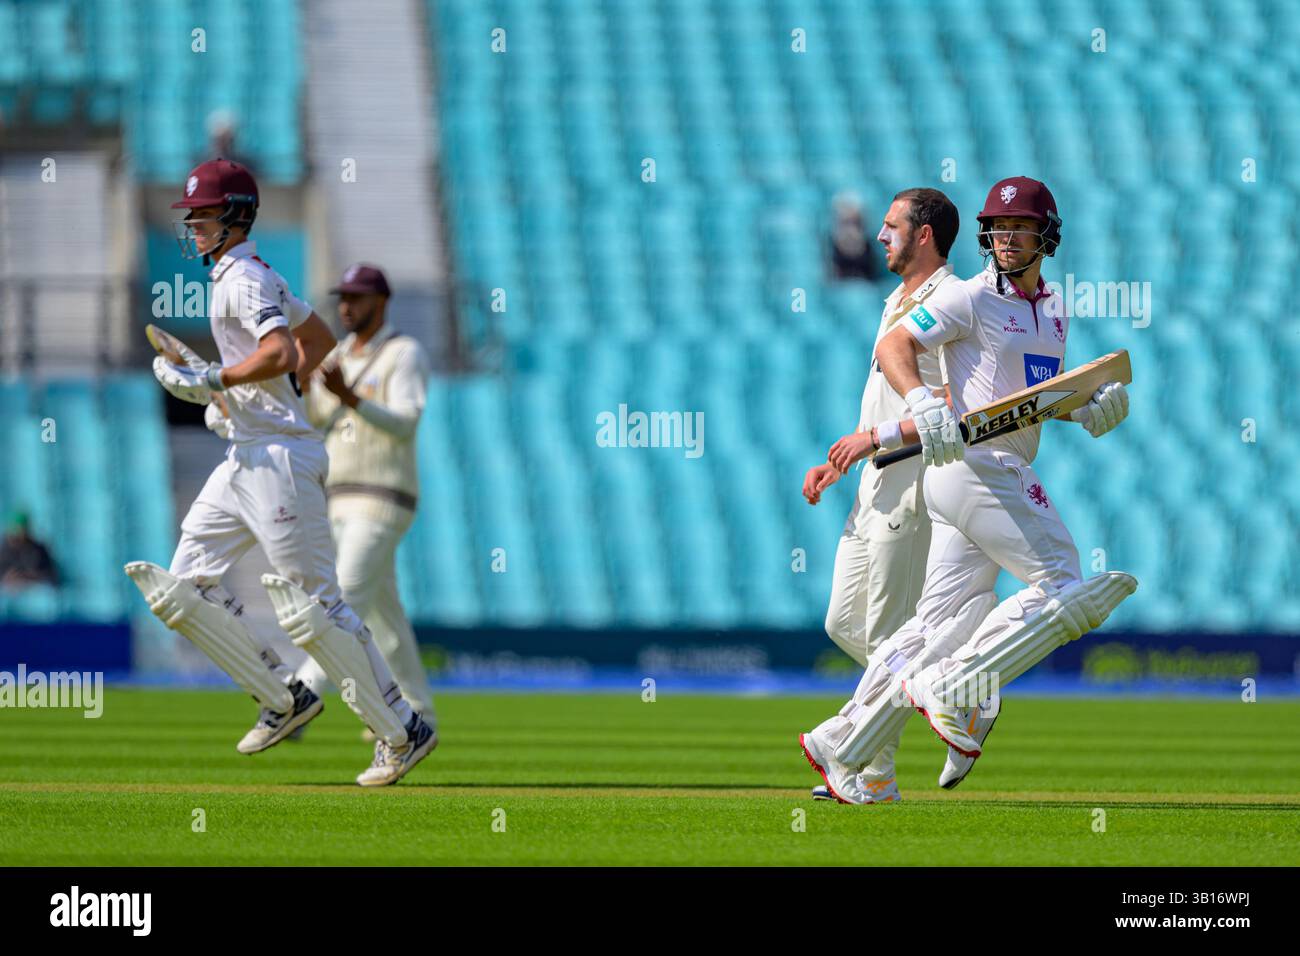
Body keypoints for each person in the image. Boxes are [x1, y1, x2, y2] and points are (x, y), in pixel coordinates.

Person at [799, 177, 1136, 804]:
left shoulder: (1055, 309)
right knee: (1063, 581)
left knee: (939, 624)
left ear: (1046, 236)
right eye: (998, 229)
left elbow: (1034, 399)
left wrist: (1088, 408)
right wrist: (922, 398)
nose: (1005, 238)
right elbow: (894, 344)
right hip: (976, 465)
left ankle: (845, 745)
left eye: (1019, 229)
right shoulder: (971, 297)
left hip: (986, 469)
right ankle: (961, 686)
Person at [126, 158, 436, 786]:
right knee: (181, 588)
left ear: (236, 216)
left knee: (315, 610)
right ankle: (284, 697)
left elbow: (283, 351)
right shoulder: (251, 275)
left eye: (203, 217)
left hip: (277, 460)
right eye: (192, 219)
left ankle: (403, 730)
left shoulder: (243, 278)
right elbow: (318, 342)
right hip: (247, 452)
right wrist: (245, 403)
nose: (194, 228)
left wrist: (217, 379)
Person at [801, 187, 960, 803]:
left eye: (891, 226)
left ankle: (873, 772)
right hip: (873, 477)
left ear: (924, 234)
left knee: (888, 630)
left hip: (913, 477)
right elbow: (888, 397)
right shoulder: (897, 297)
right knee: (845, 622)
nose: (878, 236)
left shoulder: (951, 300)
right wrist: (846, 455)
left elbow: (960, 403)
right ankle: (947, 684)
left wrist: (874, 438)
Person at [290, 264, 436, 761]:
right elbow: (313, 421)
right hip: (339, 495)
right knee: (384, 617)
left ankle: (301, 695)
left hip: (384, 495)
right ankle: (420, 712)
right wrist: (308, 387)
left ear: (383, 300)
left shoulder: (403, 353)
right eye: (342, 297)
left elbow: (404, 423)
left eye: (356, 297)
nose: (346, 306)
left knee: (343, 597)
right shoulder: (336, 357)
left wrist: (352, 398)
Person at [828, 191, 883, 281]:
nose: (850, 230)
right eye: (845, 223)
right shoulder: (828, 248)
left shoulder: (871, 248)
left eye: (855, 223)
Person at [0, 511, 58, 590]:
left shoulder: (38, 550)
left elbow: (52, 576)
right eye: (16, 529)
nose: (19, 534)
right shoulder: (4, 552)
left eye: (22, 529)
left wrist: (28, 577)